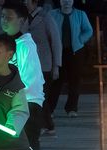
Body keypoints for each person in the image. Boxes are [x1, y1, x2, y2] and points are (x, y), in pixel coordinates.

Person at [0, 2, 48, 150]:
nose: (4, 20)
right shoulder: (1, 44)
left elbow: (30, 79)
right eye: (3, 16)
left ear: (21, 20)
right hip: (7, 100)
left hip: (30, 101)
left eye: (9, 17)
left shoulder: (26, 46)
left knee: (29, 140)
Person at [48, 0, 93, 118]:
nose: (67, 2)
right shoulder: (52, 14)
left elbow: (88, 30)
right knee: (56, 81)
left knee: (75, 80)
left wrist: (80, 40)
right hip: (58, 51)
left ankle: (72, 108)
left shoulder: (80, 14)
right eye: (64, 0)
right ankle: (50, 109)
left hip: (76, 51)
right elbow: (48, 30)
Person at [25, 0, 62, 135]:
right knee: (36, 96)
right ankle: (47, 125)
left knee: (41, 96)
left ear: (34, 2)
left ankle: (44, 125)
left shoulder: (46, 17)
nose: (25, 3)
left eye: (27, 1)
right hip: (29, 65)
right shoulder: (24, 18)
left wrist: (56, 66)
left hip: (44, 64)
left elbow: (56, 42)